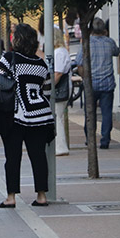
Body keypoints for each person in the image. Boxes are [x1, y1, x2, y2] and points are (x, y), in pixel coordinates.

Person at [0, 24, 55, 208]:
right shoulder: (42, 64)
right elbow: (47, 91)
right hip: (40, 115)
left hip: (14, 115)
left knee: (12, 157)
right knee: (38, 156)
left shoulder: (9, 58)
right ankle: (42, 196)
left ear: (18, 39)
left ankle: (11, 197)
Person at [75, 17, 120, 149]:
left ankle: (90, 138)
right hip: (107, 83)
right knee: (107, 113)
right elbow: (117, 52)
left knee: (90, 113)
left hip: (91, 83)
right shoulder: (109, 42)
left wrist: (84, 77)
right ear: (104, 30)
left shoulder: (86, 43)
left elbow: (79, 63)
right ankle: (105, 140)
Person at [52, 28, 71, 156]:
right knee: (58, 117)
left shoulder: (58, 52)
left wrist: (49, 87)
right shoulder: (62, 51)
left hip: (59, 90)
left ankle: (60, 147)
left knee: (57, 117)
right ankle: (60, 146)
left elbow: (58, 73)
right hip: (63, 89)